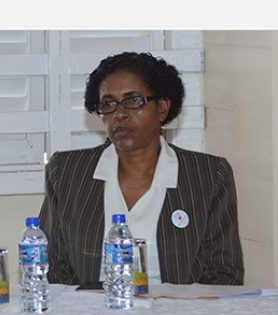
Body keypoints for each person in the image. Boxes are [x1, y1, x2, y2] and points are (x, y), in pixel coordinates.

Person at [39, 51, 244, 286]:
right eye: (109, 104)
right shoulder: (67, 172)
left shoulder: (208, 175)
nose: (120, 114)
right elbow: (51, 268)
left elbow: (224, 273)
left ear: (162, 108)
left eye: (133, 101)